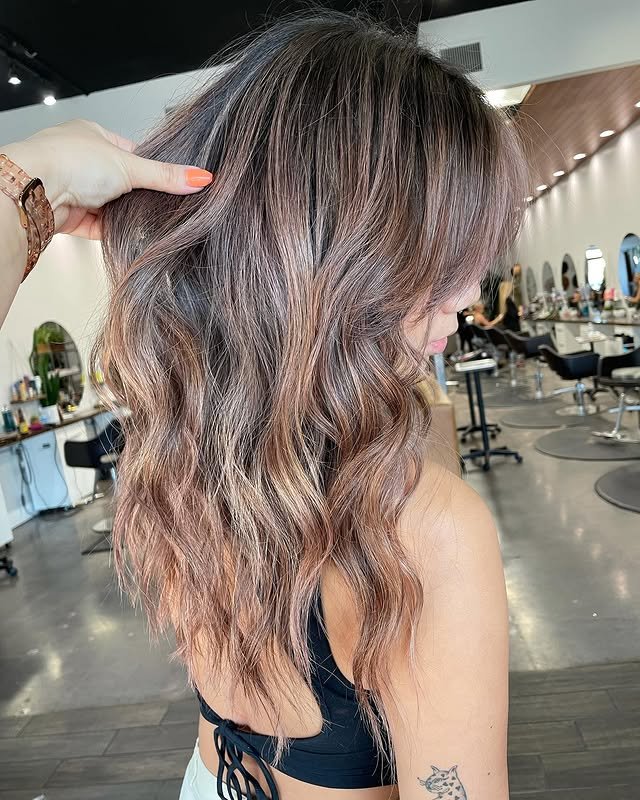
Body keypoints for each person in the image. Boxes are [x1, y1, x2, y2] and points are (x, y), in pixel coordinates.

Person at [1, 14, 525, 800]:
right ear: (338, 258)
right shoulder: (429, 530)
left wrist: (28, 178)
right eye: (446, 250)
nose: (472, 290)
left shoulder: (184, 453)